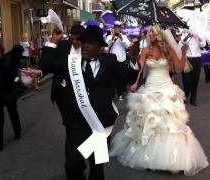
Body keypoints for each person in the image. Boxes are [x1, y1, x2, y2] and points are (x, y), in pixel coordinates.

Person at [39, 25, 138, 180]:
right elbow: (45, 66)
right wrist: (53, 41)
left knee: (97, 169)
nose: (84, 45)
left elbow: (129, 78)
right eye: (83, 41)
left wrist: (133, 60)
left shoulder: (110, 61)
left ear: (99, 46)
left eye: (90, 42)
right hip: (76, 125)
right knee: (72, 166)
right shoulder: (71, 62)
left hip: (99, 126)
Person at [110, 25, 209, 176]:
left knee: (169, 122)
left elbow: (179, 67)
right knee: (148, 120)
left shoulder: (168, 50)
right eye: (150, 32)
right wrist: (136, 82)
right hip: (150, 87)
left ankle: (171, 158)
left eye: (154, 33)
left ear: (161, 35)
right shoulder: (146, 50)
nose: (152, 35)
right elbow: (141, 69)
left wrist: (182, 53)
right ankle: (147, 157)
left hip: (166, 87)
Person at [0, 41, 23, 155]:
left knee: (13, 112)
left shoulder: (9, 58)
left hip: (9, 92)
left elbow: (17, 51)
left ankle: (17, 131)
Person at [105, 21, 131, 101]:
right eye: (115, 27)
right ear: (114, 28)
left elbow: (127, 46)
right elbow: (106, 47)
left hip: (121, 60)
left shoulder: (124, 37)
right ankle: (112, 94)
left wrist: (121, 38)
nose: (117, 28)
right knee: (112, 78)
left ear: (120, 28)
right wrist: (112, 39)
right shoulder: (109, 37)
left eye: (118, 27)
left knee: (121, 78)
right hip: (112, 61)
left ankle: (120, 93)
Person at [181, 33, 206, 106]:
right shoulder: (185, 34)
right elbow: (182, 42)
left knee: (195, 80)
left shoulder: (200, 35)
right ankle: (185, 96)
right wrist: (188, 36)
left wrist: (199, 37)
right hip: (187, 59)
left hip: (196, 59)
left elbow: (203, 45)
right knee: (186, 80)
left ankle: (193, 99)